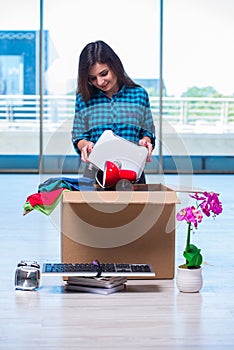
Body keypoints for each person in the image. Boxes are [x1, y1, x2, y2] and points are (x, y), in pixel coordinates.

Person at [72, 40, 155, 184]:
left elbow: (147, 132)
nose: (100, 82)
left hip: (131, 172)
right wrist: (85, 144)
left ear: (115, 66)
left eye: (104, 74)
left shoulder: (139, 94)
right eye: (92, 78)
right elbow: (78, 135)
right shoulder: (84, 98)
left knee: (136, 207)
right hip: (95, 174)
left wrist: (145, 142)